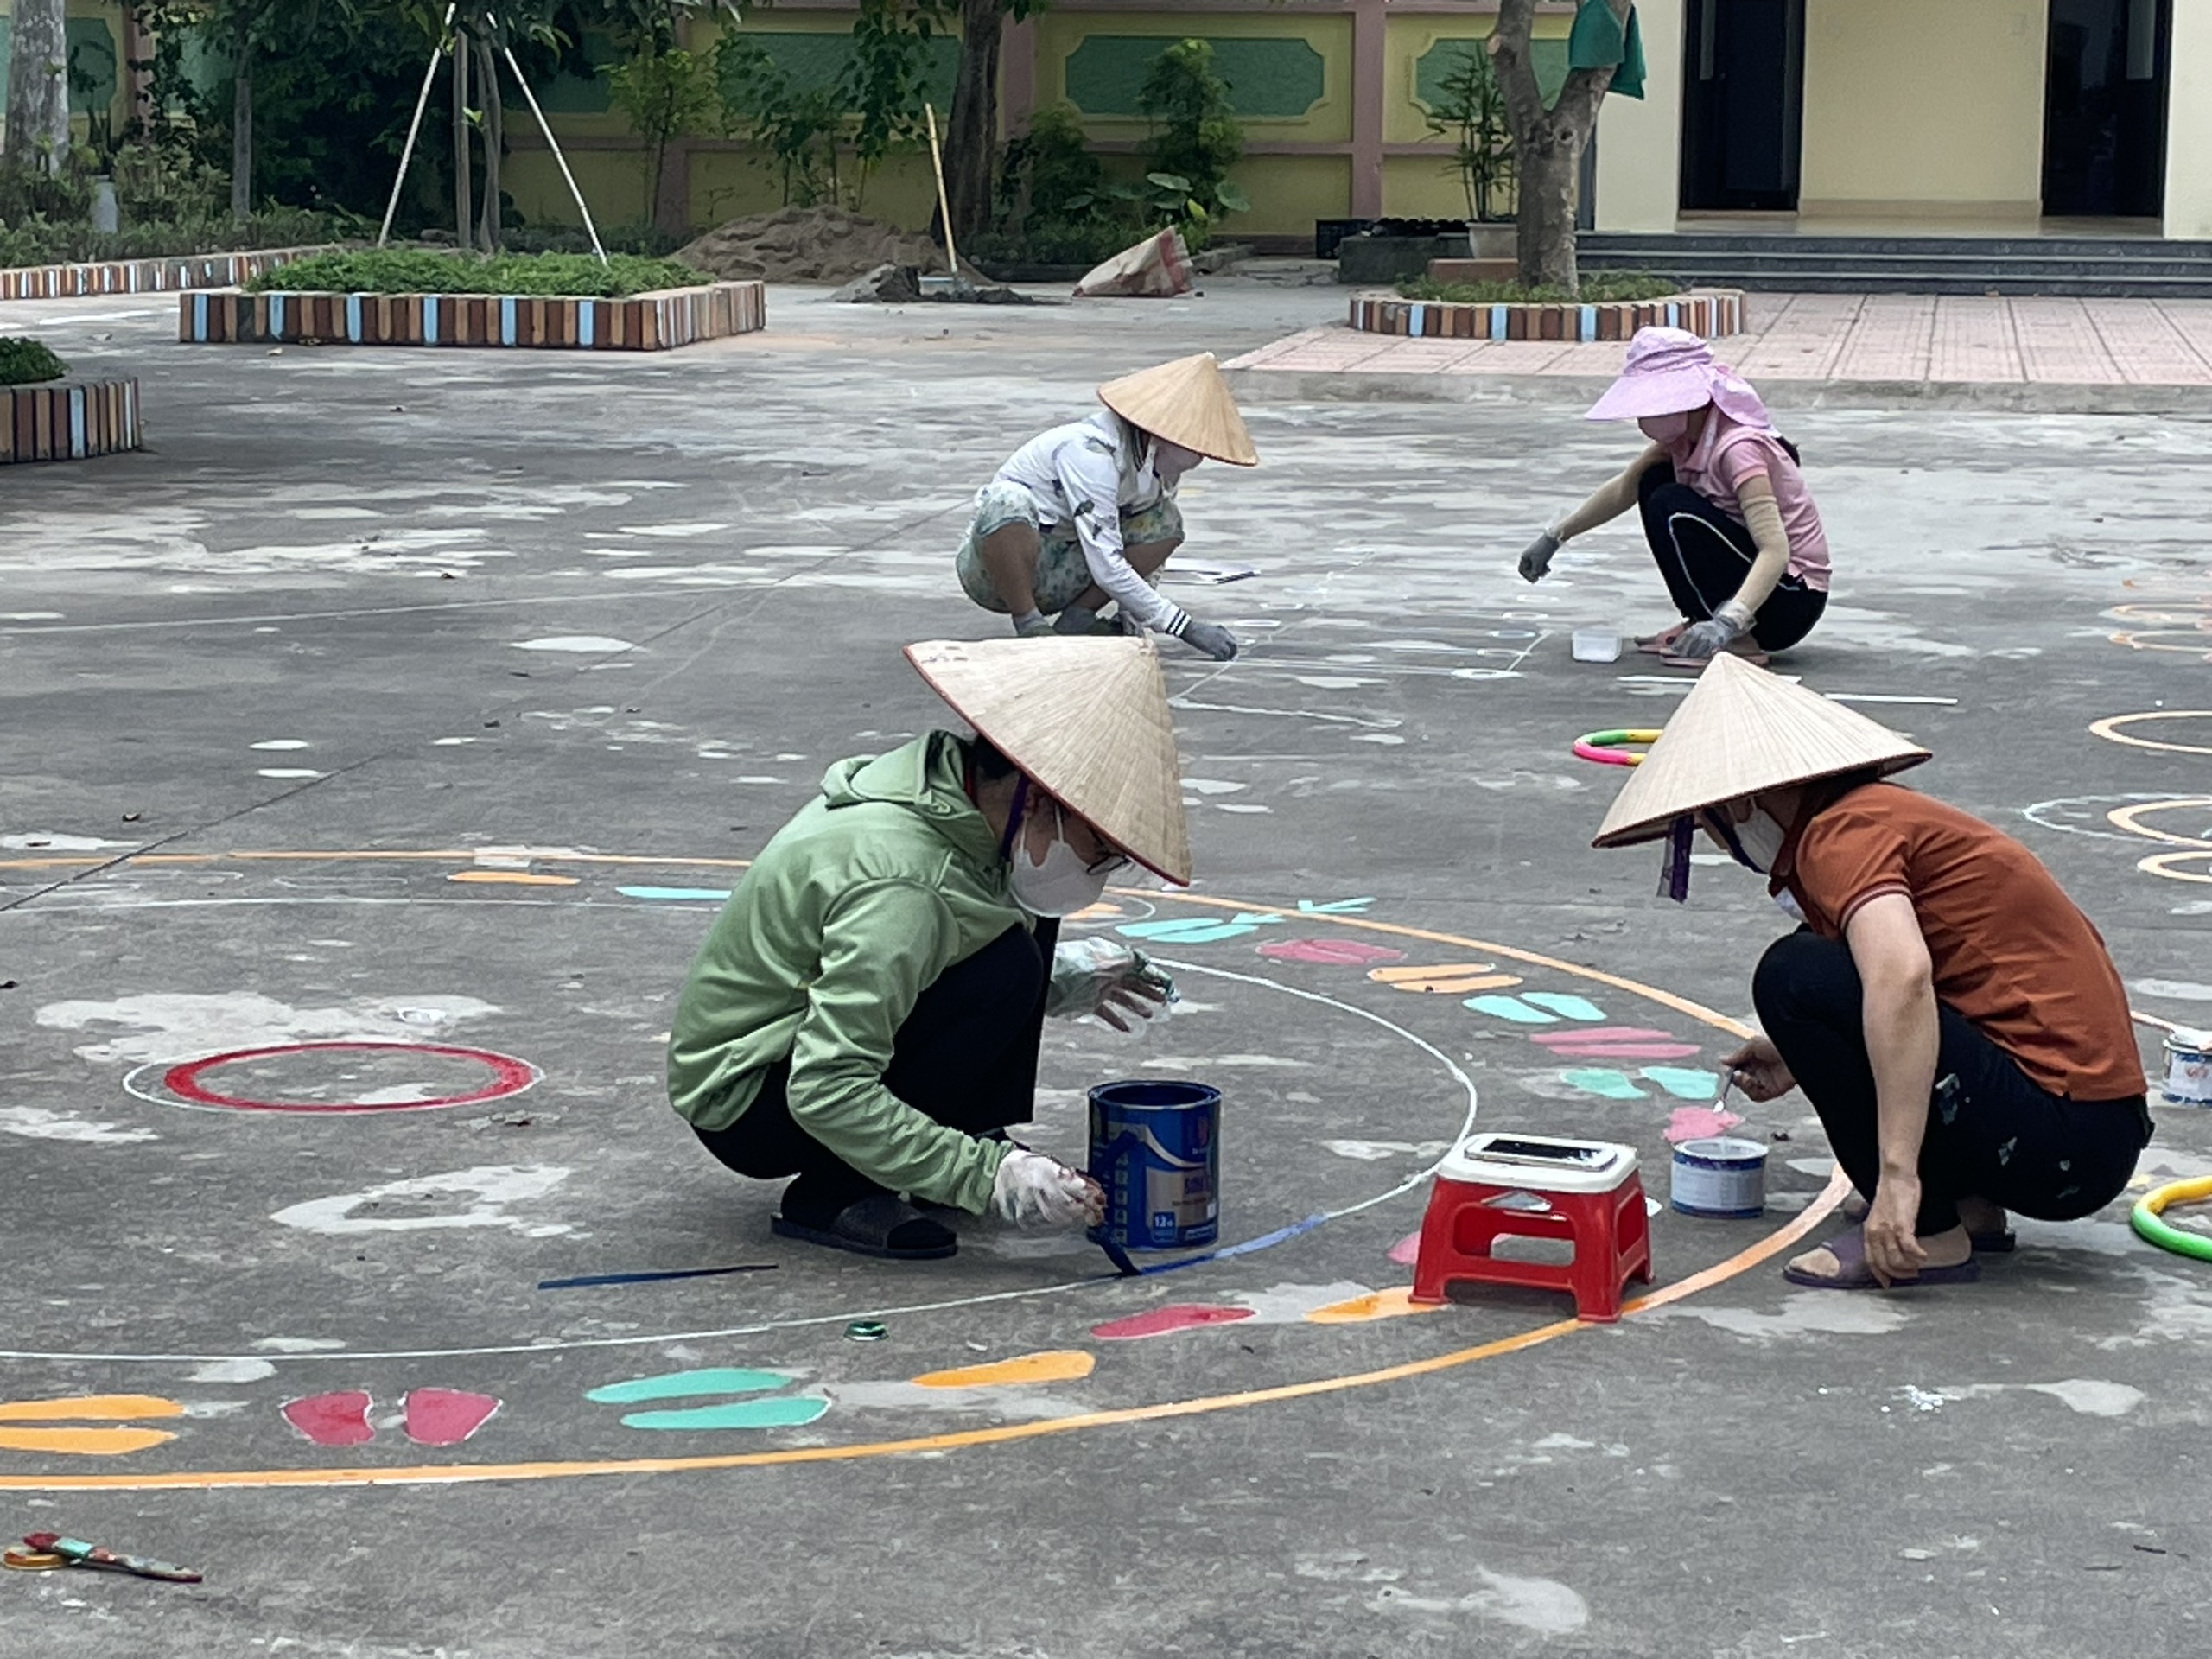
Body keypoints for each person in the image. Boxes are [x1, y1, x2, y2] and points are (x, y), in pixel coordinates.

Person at [1592, 656, 2152, 1290]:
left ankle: (1927, 1229)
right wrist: (1800, 1053)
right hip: (2087, 1138)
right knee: (1819, 960)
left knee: (1794, 974)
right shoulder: (1877, 815)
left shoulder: (1841, 833)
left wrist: (1896, 1179)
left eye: (1709, 827)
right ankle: (1966, 1207)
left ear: (1740, 804)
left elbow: (1903, 978)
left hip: (2065, 1140)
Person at [666, 635, 1192, 1262]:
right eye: (1100, 846)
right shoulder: (906, 884)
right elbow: (825, 1085)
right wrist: (982, 1175)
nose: (1099, 868)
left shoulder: (958, 801)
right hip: (750, 1100)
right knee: (1007, 966)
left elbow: (930, 960)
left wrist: (1061, 982)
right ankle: (837, 1189)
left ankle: (947, 1136)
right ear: (1039, 796)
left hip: (801, 1046)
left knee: (1022, 942)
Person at [1518, 327, 1831, 665]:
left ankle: (1740, 641)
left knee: (1672, 505)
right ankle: (1698, 619)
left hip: (1790, 599)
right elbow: (1625, 488)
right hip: (1758, 591)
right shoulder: (1684, 443)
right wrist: (1555, 537)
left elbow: (1775, 550)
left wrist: (1729, 622)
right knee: (1653, 482)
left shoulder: (1738, 449)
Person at [956, 352, 1256, 663]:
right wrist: (1184, 627)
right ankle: (1029, 622)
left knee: (1166, 523)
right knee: (1007, 503)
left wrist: (1133, 617)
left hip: (1066, 571)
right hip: (997, 575)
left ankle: (1078, 617)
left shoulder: (1155, 467)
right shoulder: (1091, 453)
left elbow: (1151, 552)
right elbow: (1107, 563)